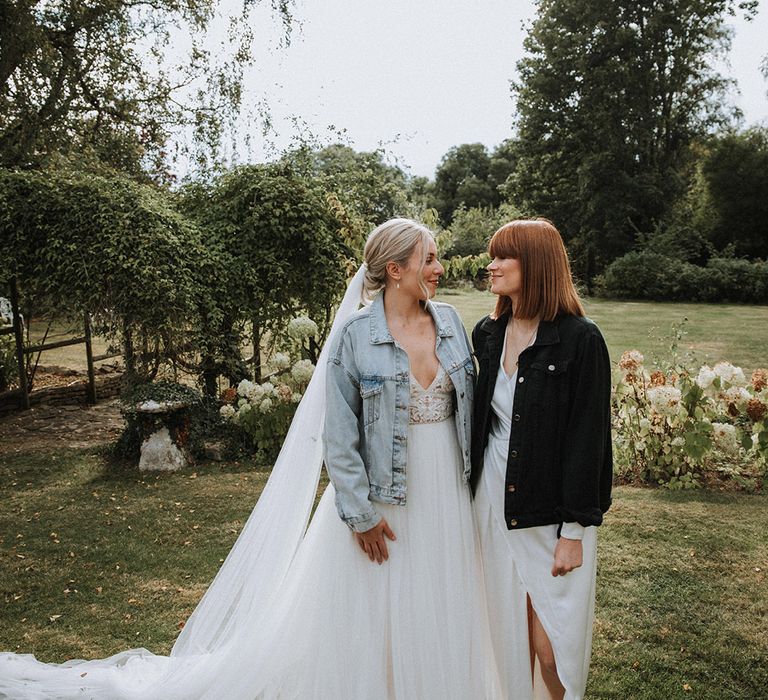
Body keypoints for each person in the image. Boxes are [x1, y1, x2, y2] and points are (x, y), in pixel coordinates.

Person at [0, 218, 501, 699]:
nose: (439, 268)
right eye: (429, 259)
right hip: (381, 496)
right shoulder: (354, 336)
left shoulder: (453, 323)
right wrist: (360, 513)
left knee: (440, 603)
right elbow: (340, 435)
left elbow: (475, 409)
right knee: (378, 611)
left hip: (447, 492)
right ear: (395, 269)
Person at [470, 219, 612, 700]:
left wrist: (573, 533)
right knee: (507, 636)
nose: (491, 264)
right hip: (493, 505)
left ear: (536, 265)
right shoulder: (488, 333)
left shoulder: (580, 339)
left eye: (503, 256)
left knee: (552, 649)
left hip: (551, 517)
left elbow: (587, 442)